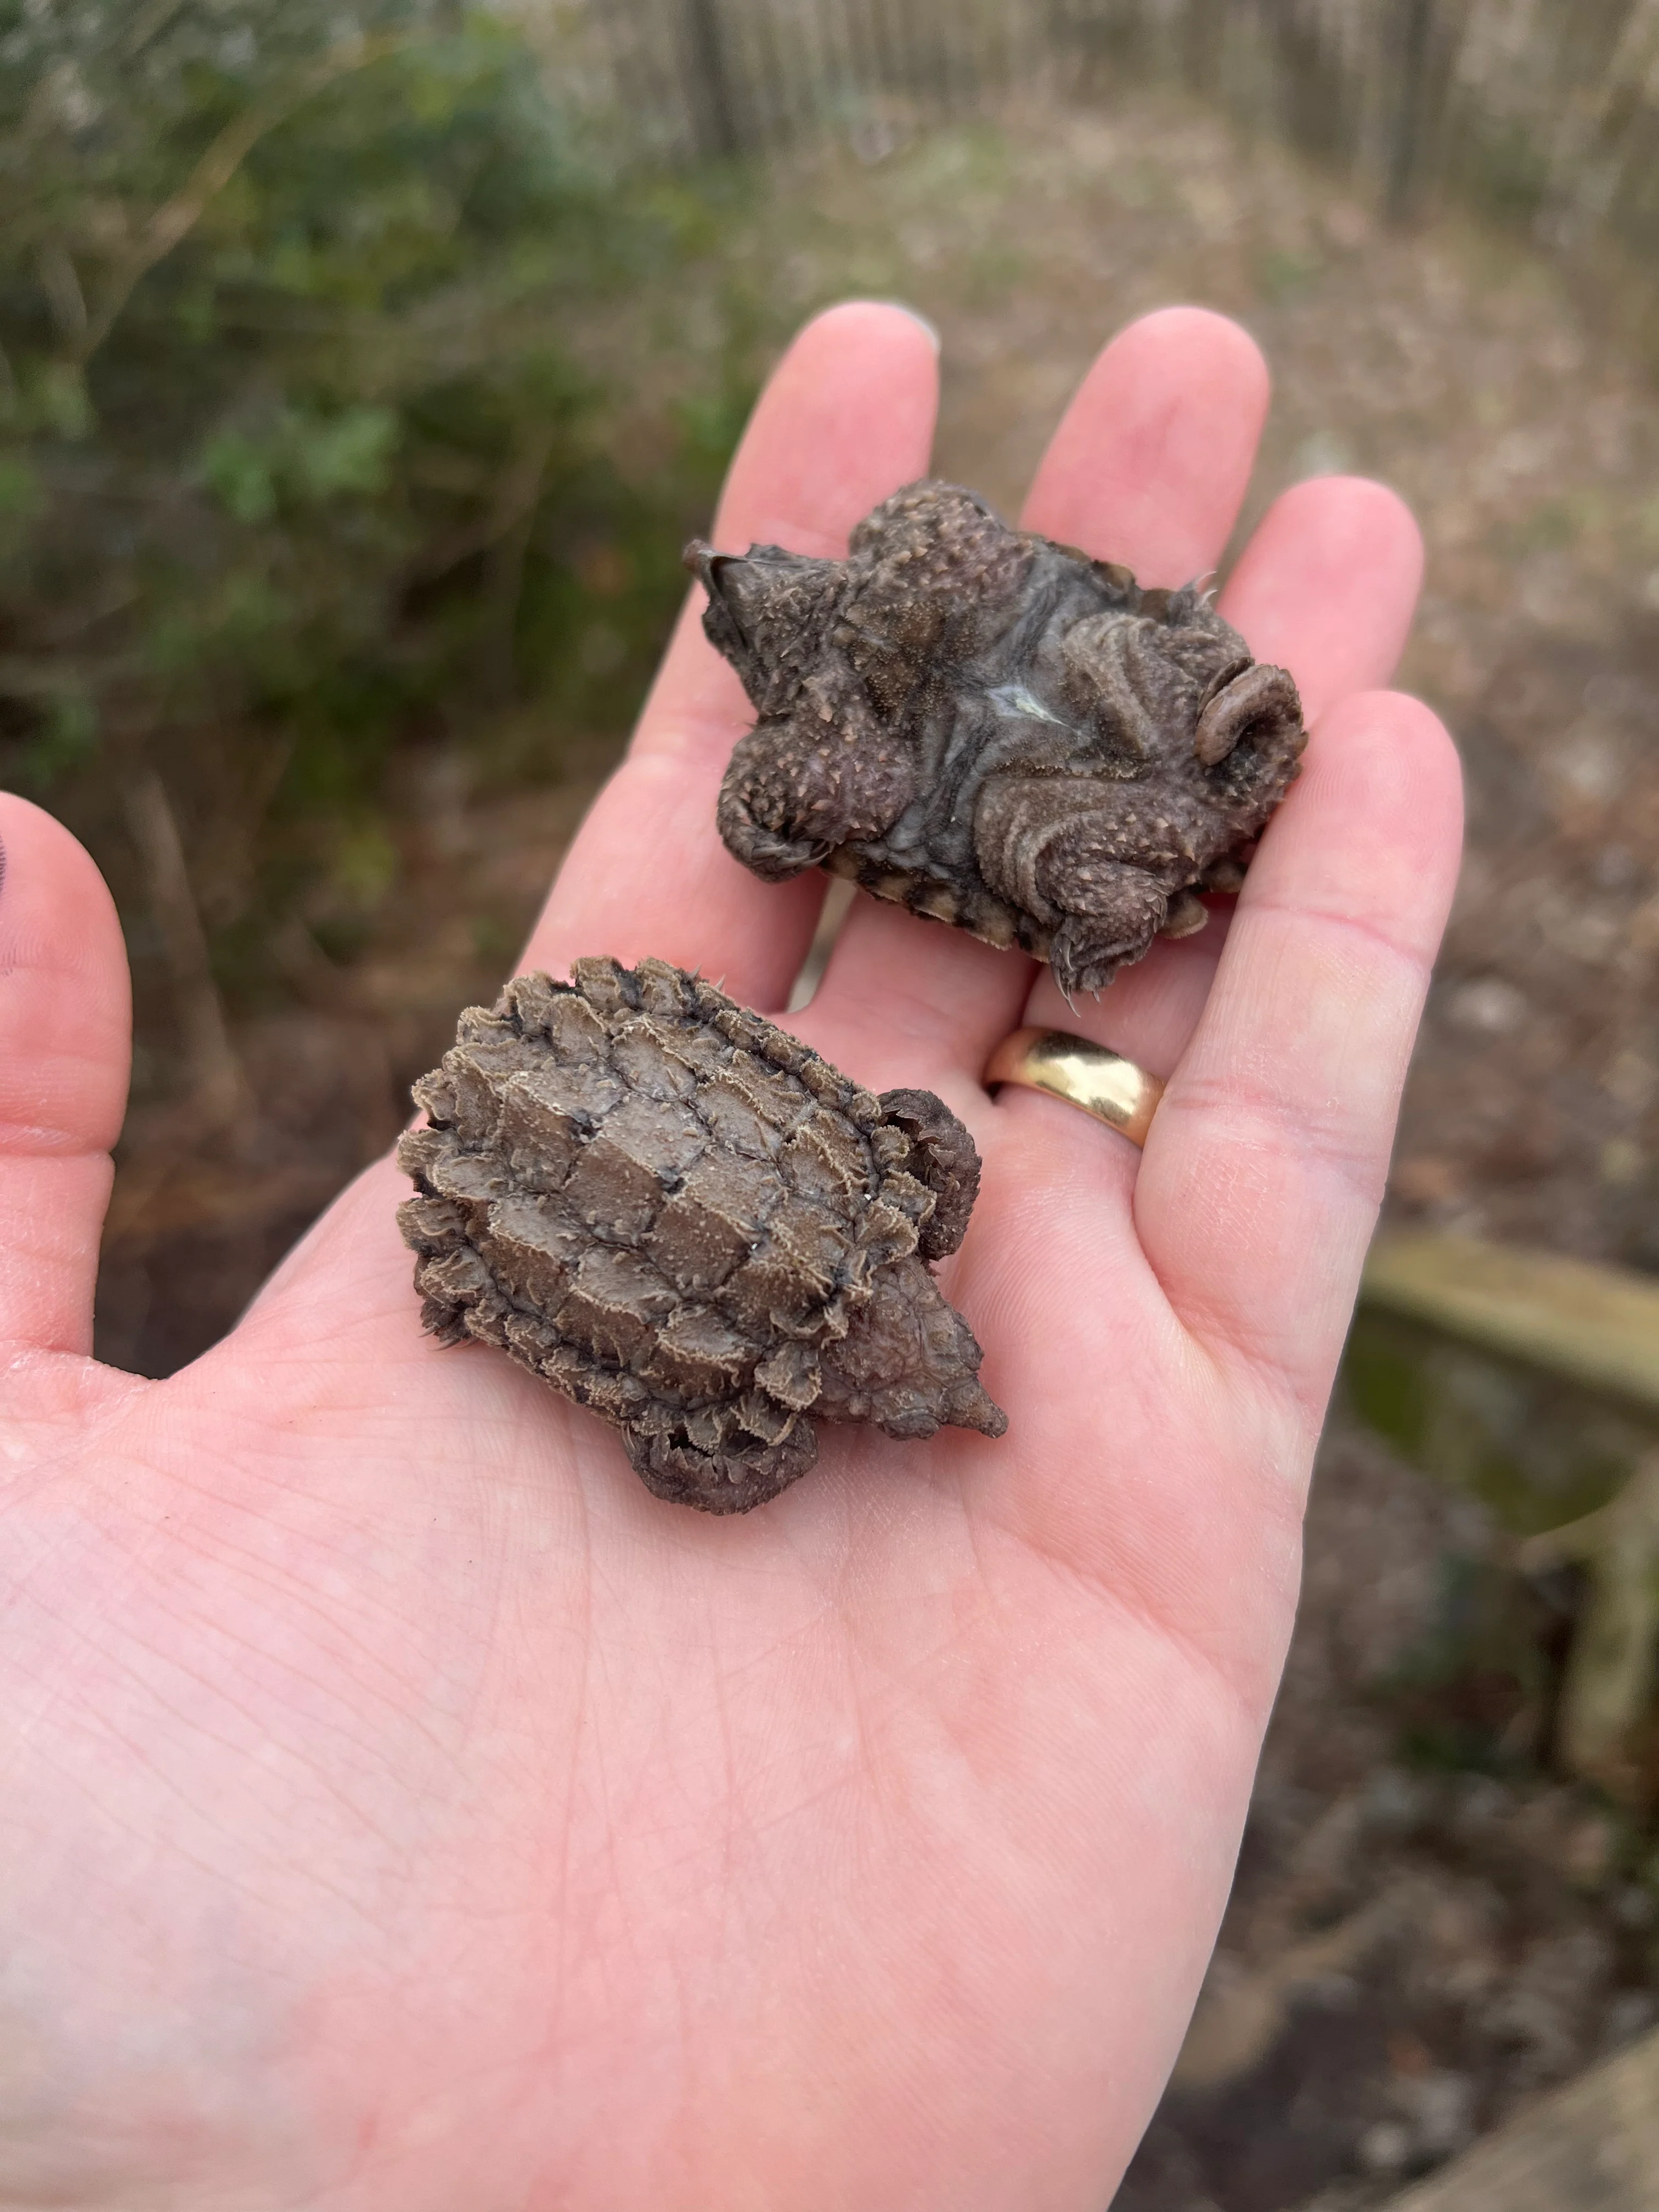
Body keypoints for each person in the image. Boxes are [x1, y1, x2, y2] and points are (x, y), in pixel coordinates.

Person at [0, 302, 1461, 2209]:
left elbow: (872, 1188)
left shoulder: (845, 1256)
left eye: (936, 1384)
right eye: (947, 1376)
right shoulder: (777, 1382)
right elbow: (744, 1384)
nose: (965, 1390)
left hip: (593, 1112)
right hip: (560, 1147)